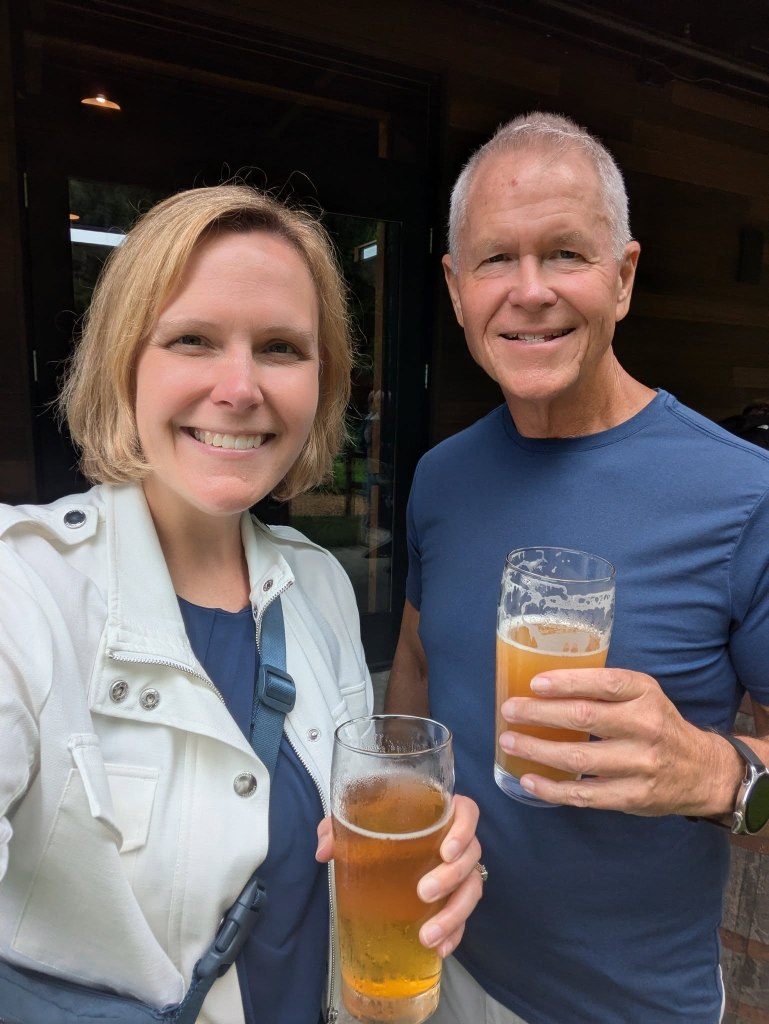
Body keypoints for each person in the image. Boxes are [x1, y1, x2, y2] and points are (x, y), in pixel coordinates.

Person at [0, 185, 483, 1024]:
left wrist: (435, 851)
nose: (239, 386)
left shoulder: (317, 584)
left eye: (280, 348)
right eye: (192, 339)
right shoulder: (24, 590)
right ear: (124, 361)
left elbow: (353, 827)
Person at [385, 112, 769, 1024]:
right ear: (455, 288)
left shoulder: (744, 494)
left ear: (623, 277)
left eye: (565, 253)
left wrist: (718, 777)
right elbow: (417, 664)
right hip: (444, 965)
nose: (530, 292)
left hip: (631, 1003)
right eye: (495, 259)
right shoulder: (441, 477)